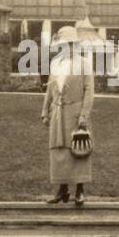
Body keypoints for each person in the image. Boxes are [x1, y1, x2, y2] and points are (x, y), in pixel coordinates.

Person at [41, 26, 94, 206]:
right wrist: (44, 110)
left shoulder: (84, 63)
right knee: (59, 151)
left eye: (71, 44)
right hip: (58, 112)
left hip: (76, 113)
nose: (68, 48)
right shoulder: (56, 63)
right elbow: (50, 88)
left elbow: (89, 91)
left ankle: (80, 190)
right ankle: (62, 190)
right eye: (64, 45)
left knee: (78, 149)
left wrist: (83, 116)